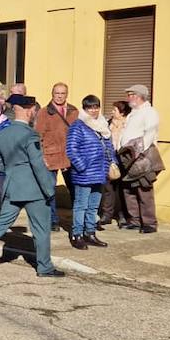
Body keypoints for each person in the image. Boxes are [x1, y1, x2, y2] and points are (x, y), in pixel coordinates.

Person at [0, 96, 63, 278]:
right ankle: (44, 267)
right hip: (34, 189)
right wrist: (50, 189)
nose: (35, 112)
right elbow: (37, 165)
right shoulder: (30, 135)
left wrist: (11, 171)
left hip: (12, 186)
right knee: (41, 228)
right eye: (34, 110)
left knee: (2, 222)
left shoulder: (3, 133)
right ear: (28, 110)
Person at [65, 95, 116, 250]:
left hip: (100, 172)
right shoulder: (78, 126)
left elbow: (109, 147)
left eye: (96, 107)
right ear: (84, 109)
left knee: (93, 207)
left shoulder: (102, 126)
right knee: (81, 205)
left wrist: (112, 162)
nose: (93, 110)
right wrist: (82, 167)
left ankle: (90, 233)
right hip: (85, 173)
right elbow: (71, 150)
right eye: (90, 107)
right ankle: (77, 234)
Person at [117, 85, 161, 233]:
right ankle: (134, 220)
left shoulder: (150, 112)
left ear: (138, 96)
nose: (128, 98)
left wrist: (138, 151)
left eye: (130, 95)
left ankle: (149, 223)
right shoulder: (133, 113)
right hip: (128, 156)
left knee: (144, 190)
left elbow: (150, 133)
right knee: (128, 189)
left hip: (142, 156)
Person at [35, 82, 79, 233]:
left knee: (75, 189)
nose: (59, 96)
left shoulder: (74, 111)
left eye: (62, 93)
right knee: (49, 190)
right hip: (50, 155)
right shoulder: (44, 112)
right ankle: (53, 220)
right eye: (57, 93)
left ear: (67, 94)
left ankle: (78, 220)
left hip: (70, 156)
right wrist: (42, 157)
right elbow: (38, 136)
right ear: (52, 94)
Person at [98, 100, 131, 228]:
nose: (112, 112)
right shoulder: (108, 124)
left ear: (122, 113)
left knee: (123, 187)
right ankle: (107, 214)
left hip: (124, 158)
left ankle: (123, 215)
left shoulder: (129, 125)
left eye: (115, 110)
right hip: (110, 158)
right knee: (108, 187)